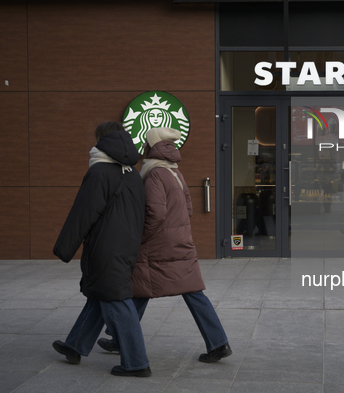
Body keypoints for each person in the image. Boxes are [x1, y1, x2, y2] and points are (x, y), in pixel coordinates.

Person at [97, 127, 232, 363]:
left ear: (151, 147)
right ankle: (218, 342)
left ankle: (120, 338)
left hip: (159, 244)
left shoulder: (154, 173)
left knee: (138, 286)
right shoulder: (174, 172)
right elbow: (188, 207)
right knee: (187, 291)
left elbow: (156, 213)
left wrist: (141, 237)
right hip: (179, 240)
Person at [52, 121, 151, 377]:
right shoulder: (132, 174)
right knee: (100, 294)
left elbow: (82, 214)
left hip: (106, 248)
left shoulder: (99, 172)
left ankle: (137, 363)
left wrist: (64, 248)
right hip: (127, 246)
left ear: (102, 141)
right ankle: (75, 345)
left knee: (117, 300)